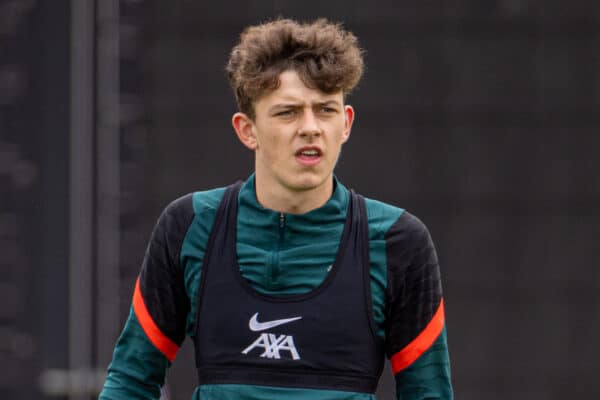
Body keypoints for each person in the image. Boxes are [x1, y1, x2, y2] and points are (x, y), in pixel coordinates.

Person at [99, 18, 452, 400]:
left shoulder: (399, 240)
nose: (311, 128)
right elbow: (130, 382)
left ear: (346, 124)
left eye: (326, 110)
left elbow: (428, 393)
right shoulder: (189, 226)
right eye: (288, 112)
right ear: (246, 129)